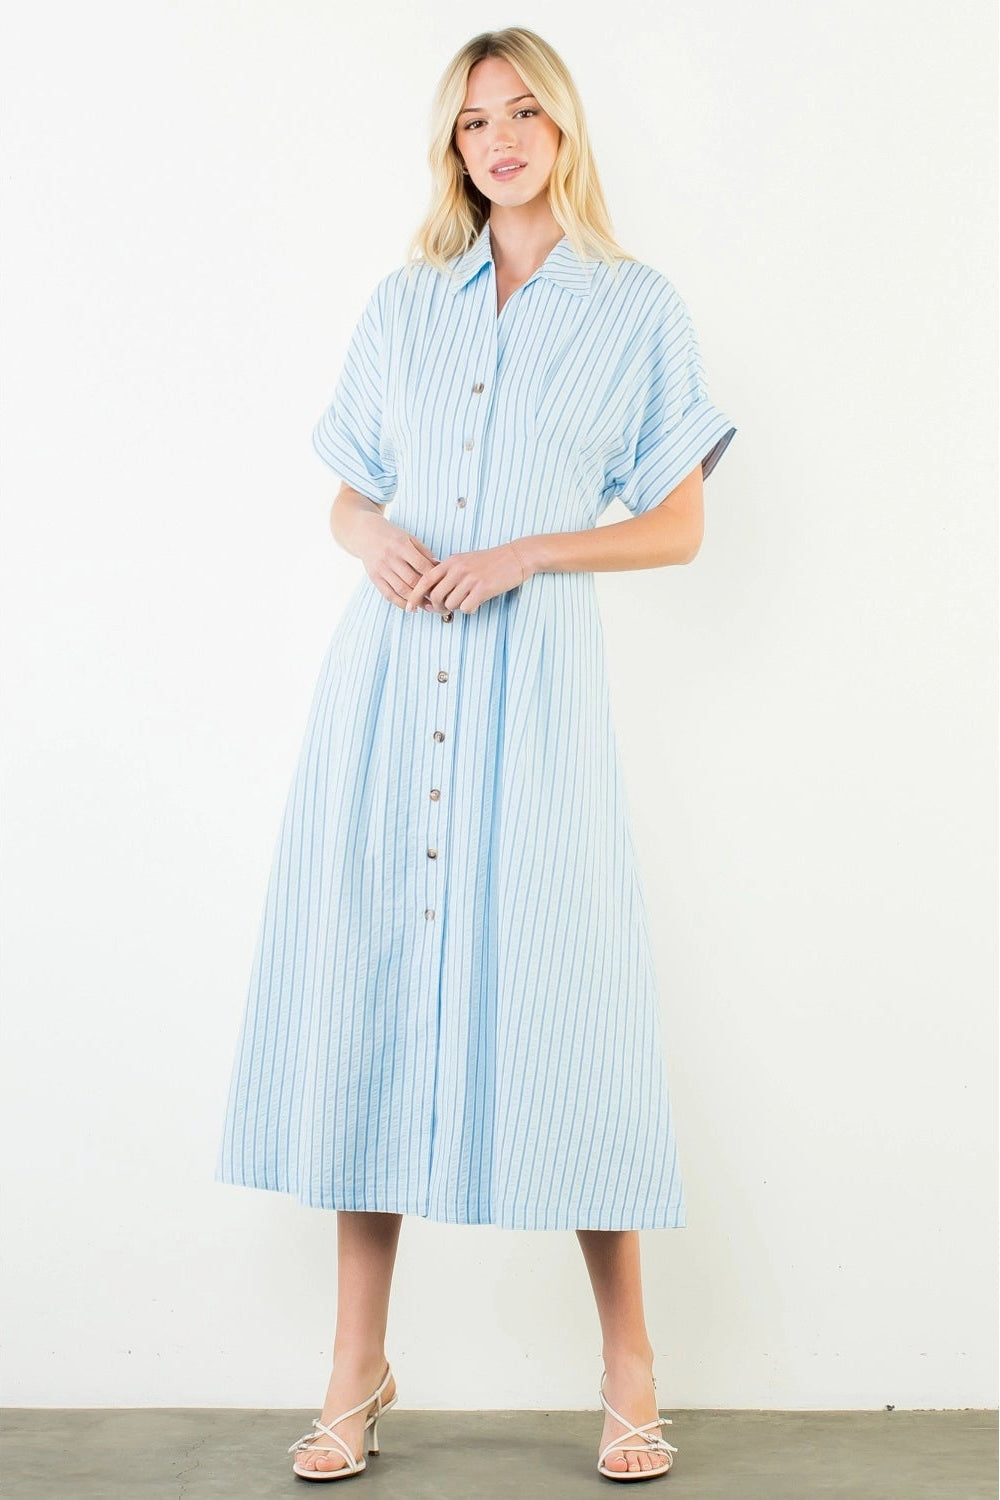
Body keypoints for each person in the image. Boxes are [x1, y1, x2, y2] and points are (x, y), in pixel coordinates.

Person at [215, 25, 736, 1485]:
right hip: (387, 698)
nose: (497, 139)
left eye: (521, 113)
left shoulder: (637, 312)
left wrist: (525, 553)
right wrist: (371, 532)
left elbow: (680, 523)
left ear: (563, 130)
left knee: (571, 1026)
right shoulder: (404, 308)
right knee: (371, 1005)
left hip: (536, 707)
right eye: (471, 122)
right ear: (451, 148)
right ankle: (353, 1368)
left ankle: (630, 1368)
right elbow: (346, 497)